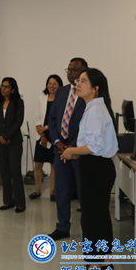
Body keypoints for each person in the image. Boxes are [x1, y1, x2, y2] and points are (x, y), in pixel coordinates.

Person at [62, 68, 118, 270]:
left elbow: (94, 147)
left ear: (95, 88)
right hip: (99, 167)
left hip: (95, 169)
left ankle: (94, 269)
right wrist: (78, 151)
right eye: (78, 80)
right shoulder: (95, 107)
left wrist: (71, 151)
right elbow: (94, 145)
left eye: (83, 81)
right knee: (100, 217)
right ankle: (105, 263)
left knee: (92, 221)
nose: (77, 84)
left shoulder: (95, 110)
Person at [47, 58, 88, 241]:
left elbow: (88, 123)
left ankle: (87, 229)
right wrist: (56, 141)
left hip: (79, 151)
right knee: (61, 191)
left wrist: (75, 144)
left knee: (83, 192)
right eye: (68, 69)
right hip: (60, 149)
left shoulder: (88, 93)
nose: (70, 73)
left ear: (84, 71)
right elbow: (53, 118)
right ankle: (62, 227)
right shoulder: (62, 91)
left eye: (74, 70)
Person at [0, 77, 26, 213]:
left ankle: (20, 203)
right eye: (2, 86)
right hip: (0, 142)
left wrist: (6, 137)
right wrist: (1, 136)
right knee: (4, 171)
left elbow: (18, 122)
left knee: (15, 172)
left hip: (14, 141)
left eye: (6, 86)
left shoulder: (18, 103)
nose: (3, 89)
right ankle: (8, 201)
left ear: (13, 89)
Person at [29, 74, 63, 201]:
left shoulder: (61, 100)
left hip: (54, 135)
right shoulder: (41, 98)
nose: (51, 86)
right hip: (42, 135)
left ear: (59, 85)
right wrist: (42, 134)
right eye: (49, 83)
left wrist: (46, 128)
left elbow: (59, 119)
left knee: (54, 165)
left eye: (54, 83)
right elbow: (37, 116)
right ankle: (37, 190)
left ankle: (52, 192)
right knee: (38, 165)